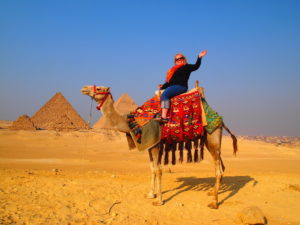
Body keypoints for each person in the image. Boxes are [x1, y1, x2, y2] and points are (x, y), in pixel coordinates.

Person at [157, 50, 207, 122]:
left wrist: (199, 57)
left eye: (181, 58)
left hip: (181, 86)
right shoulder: (173, 71)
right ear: (175, 61)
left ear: (184, 59)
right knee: (162, 93)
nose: (179, 60)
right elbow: (170, 82)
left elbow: (196, 66)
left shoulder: (187, 66)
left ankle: (164, 117)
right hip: (173, 87)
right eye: (177, 59)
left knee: (165, 94)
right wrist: (162, 86)